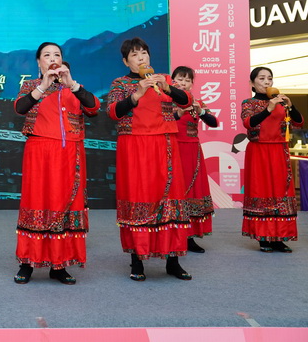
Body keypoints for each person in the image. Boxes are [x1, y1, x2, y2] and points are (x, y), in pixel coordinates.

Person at [107, 37, 193, 281]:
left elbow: (186, 100)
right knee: (138, 198)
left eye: (144, 53)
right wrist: (138, 93)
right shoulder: (120, 83)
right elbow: (113, 111)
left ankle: (173, 260)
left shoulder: (164, 79)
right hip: (135, 146)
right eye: (134, 55)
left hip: (165, 144)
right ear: (126, 62)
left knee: (170, 199)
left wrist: (168, 88)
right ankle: (137, 261)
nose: (141, 58)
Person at [13, 43, 99, 285]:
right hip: (39, 152)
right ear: (38, 62)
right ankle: (27, 263)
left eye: (57, 55)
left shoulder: (73, 87)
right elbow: (19, 108)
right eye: (47, 55)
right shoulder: (31, 86)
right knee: (36, 202)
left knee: (64, 203)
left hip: (71, 153)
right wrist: (43, 85)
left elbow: (94, 108)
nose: (53, 59)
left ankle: (59, 265)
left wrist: (72, 84)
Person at [241, 67, 303, 252]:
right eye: (262, 78)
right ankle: (263, 238)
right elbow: (248, 123)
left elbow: (298, 122)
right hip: (259, 151)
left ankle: (279, 237)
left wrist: (291, 105)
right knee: (261, 191)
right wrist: (268, 108)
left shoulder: (281, 103)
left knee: (280, 192)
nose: (267, 81)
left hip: (279, 151)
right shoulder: (249, 103)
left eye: (269, 78)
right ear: (252, 84)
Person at [171, 66, 217, 253]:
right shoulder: (165, 102)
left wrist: (202, 112)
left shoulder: (197, 103)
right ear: (172, 81)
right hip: (172, 151)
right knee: (174, 192)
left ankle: (189, 237)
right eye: (180, 79)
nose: (183, 83)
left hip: (192, 153)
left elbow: (214, 122)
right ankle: (172, 235)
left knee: (192, 192)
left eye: (188, 80)